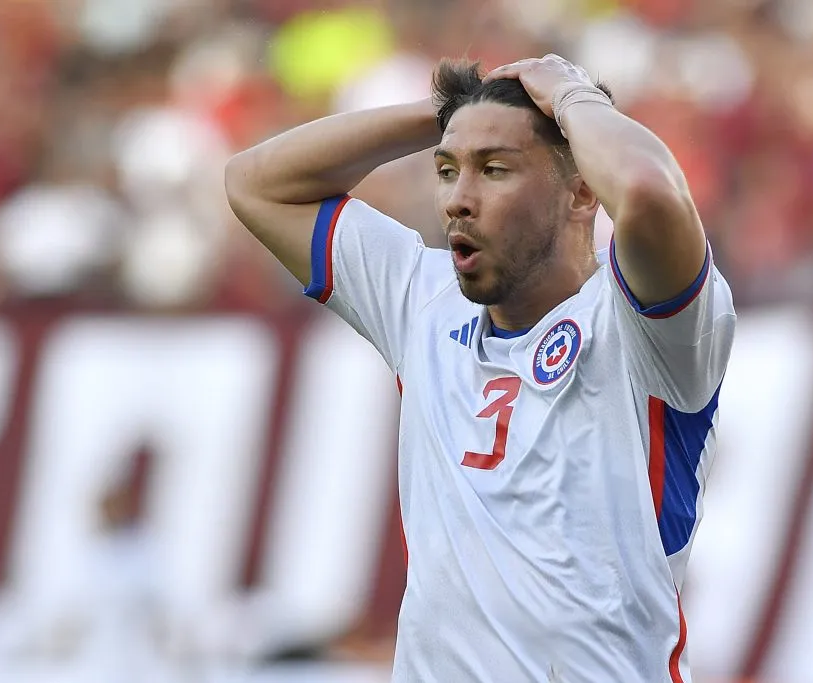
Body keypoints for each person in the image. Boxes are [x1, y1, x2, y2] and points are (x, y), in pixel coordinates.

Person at [224, 54, 736, 683]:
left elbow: (650, 192)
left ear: (580, 191)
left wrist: (574, 98)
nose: (458, 201)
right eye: (446, 171)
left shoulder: (647, 328)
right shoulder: (421, 301)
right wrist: (450, 116)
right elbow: (254, 181)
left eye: (494, 170)